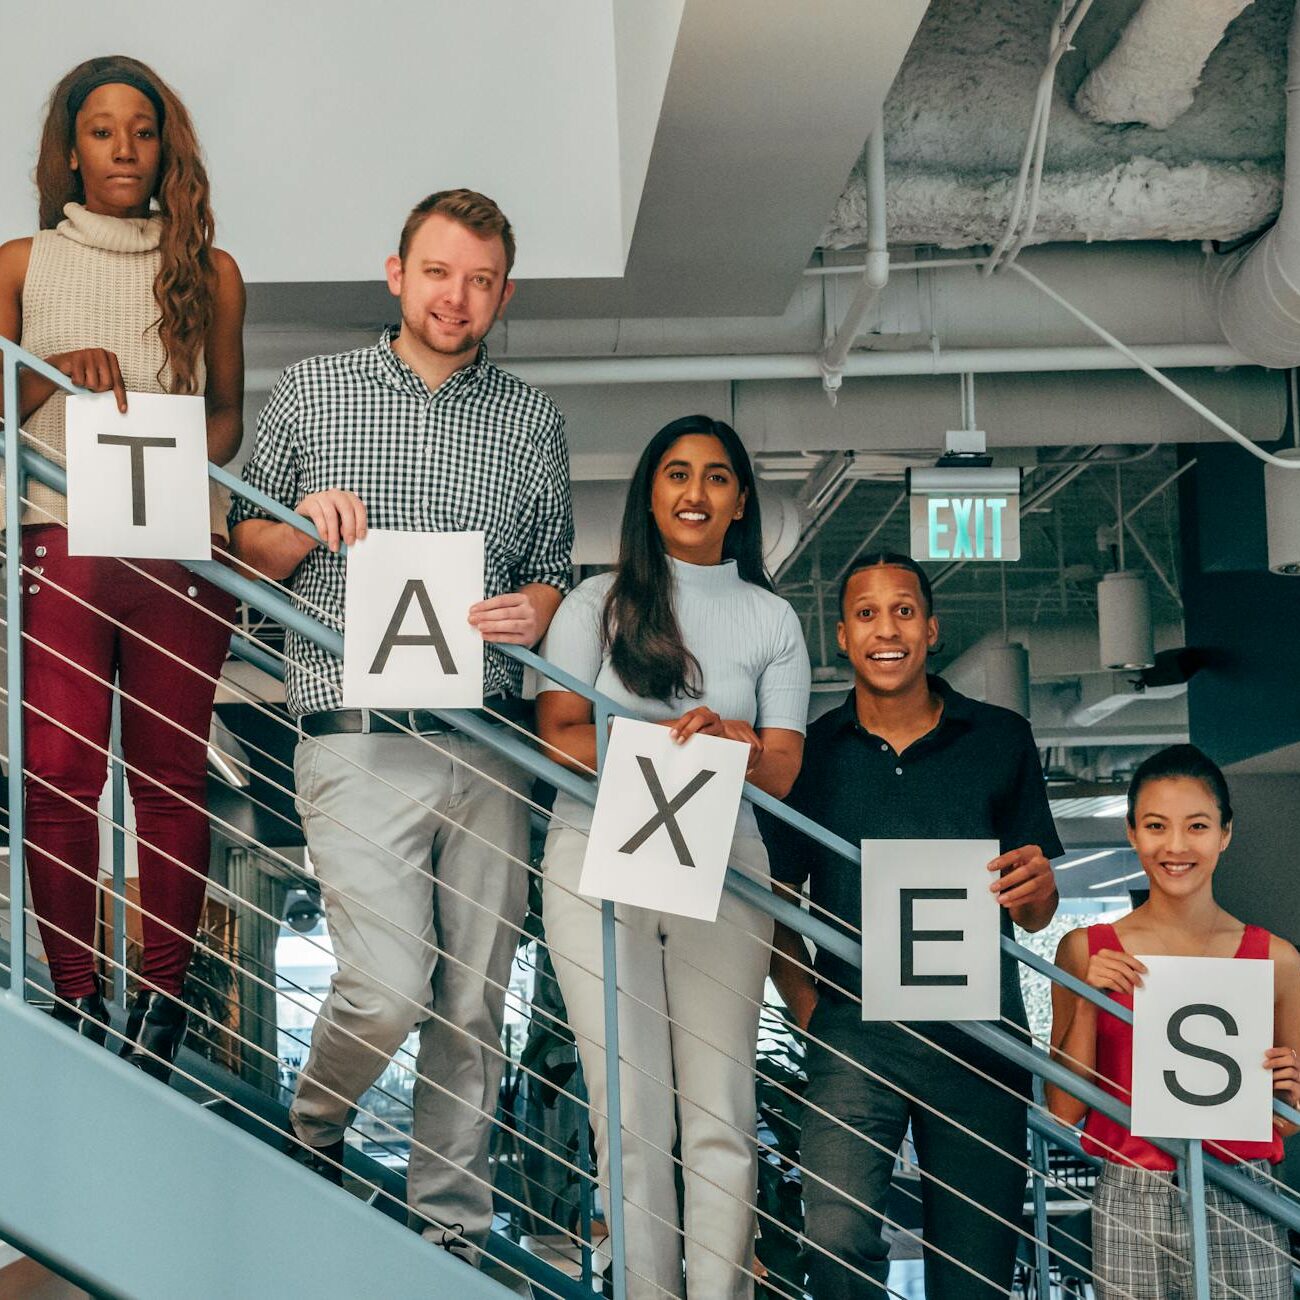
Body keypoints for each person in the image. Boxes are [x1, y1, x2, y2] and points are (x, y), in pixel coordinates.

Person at [230, 189, 573, 1258]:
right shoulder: (313, 391)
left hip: (488, 738)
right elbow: (240, 549)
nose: (456, 297)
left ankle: (450, 1237)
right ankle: (316, 1124)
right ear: (396, 272)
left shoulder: (532, 419)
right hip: (354, 730)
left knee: (471, 1002)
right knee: (384, 986)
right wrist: (298, 527)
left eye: (480, 280)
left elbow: (554, 568)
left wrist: (544, 606)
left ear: (503, 293)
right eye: (438, 272)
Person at [0, 55, 244, 1076]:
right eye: (101, 131)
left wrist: (168, 429)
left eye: (141, 131)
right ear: (69, 146)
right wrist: (54, 384)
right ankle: (72, 989)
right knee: (58, 770)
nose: (123, 150)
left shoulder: (211, 270)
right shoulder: (18, 264)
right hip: (59, 533)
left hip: (174, 549)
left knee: (171, 777)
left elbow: (228, 424)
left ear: (164, 146)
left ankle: (163, 1003)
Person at [537, 416, 811, 1298]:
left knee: (721, 1113)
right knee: (630, 1109)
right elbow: (557, 738)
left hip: (725, 854)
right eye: (677, 474)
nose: (696, 493)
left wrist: (731, 738)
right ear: (650, 493)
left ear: (740, 502)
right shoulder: (594, 603)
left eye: (718, 477)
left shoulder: (771, 616)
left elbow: (784, 767)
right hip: (596, 850)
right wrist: (656, 737)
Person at [760, 553, 1061, 1299]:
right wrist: (813, 1014)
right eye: (866, 613)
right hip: (855, 1037)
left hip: (980, 1040)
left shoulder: (1001, 738)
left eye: (902, 611)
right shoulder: (812, 755)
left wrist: (1039, 891)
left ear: (931, 629)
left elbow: (1035, 909)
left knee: (973, 1274)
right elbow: (772, 902)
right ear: (841, 636)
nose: (885, 629)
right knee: (832, 1238)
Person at [1047, 744, 1300, 1300]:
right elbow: (1063, 1109)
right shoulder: (1087, 949)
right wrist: (1090, 998)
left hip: (1242, 1187)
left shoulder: (1275, 958)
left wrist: (1288, 1093)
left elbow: (1287, 1119)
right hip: (1133, 1190)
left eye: (1198, 826)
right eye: (1157, 826)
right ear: (1133, 833)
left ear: (1225, 834)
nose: (1177, 846)